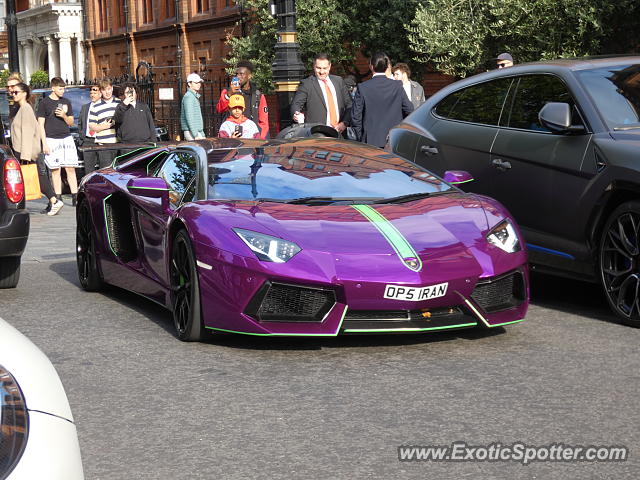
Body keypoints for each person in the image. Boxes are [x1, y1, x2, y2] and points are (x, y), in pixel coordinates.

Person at [10, 83, 58, 214]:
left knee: (35, 177)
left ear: (24, 93)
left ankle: (54, 200)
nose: (13, 94)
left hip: (26, 151)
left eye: (16, 92)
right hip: (24, 150)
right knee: (36, 176)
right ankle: (53, 200)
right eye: (12, 92)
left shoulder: (25, 108)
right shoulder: (22, 108)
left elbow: (27, 132)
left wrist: (24, 156)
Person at [351, 52, 414, 148]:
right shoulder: (397, 86)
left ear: (371, 67)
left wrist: (361, 137)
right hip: (394, 140)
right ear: (387, 67)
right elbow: (410, 110)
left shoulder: (363, 88)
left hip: (370, 141)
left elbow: (356, 117)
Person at [36, 77, 79, 214]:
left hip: (66, 138)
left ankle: (75, 197)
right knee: (55, 169)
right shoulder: (44, 103)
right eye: (60, 88)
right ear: (53, 88)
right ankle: (58, 197)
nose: (63, 91)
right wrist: (44, 143)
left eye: (64, 88)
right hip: (51, 139)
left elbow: (71, 122)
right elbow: (40, 125)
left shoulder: (66, 102)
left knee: (70, 168)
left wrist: (64, 116)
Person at [290, 53, 352, 134]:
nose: (321, 72)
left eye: (324, 68)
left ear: (329, 67)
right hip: (318, 134)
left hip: (340, 133)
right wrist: (296, 114)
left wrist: (344, 123)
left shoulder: (339, 81)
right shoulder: (307, 84)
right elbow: (296, 104)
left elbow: (350, 104)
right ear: (314, 66)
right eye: (318, 68)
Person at [216, 61, 269, 139]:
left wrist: (259, 139)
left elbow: (264, 121)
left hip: (252, 137)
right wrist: (229, 94)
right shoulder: (228, 92)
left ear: (249, 76)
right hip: (233, 137)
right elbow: (219, 109)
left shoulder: (258, 95)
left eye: (241, 74)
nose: (238, 77)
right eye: (236, 74)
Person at [89, 78, 121, 169]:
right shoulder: (95, 106)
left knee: (120, 172)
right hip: (104, 145)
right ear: (100, 91)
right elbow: (92, 126)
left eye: (108, 89)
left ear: (112, 88)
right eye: (104, 90)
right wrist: (105, 126)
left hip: (120, 143)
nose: (107, 92)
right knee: (106, 172)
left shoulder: (120, 103)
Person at [77, 85, 102, 175]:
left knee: (103, 168)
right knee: (88, 169)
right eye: (91, 93)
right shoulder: (85, 107)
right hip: (88, 140)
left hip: (101, 141)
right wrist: (82, 139)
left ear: (100, 93)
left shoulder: (104, 106)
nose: (92, 95)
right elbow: (80, 123)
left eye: (95, 93)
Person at [180, 73, 205, 140]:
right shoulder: (189, 97)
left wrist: (202, 133)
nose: (199, 84)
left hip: (196, 131)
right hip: (192, 132)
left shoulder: (193, 96)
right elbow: (189, 116)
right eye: (196, 83)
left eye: (199, 82)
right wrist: (195, 135)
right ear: (189, 84)